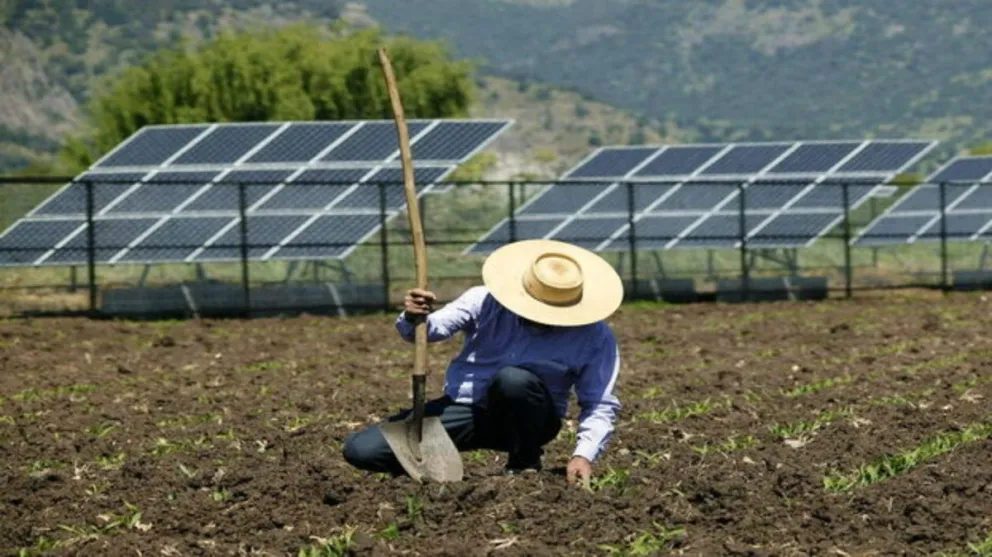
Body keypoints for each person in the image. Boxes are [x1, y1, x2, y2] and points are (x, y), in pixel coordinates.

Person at [341, 239, 624, 486]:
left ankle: (524, 457)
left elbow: (599, 402)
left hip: (532, 419)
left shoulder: (593, 336)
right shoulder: (484, 300)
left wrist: (583, 455)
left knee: (512, 380)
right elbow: (432, 330)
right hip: (468, 409)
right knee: (362, 450)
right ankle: (435, 465)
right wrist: (417, 316)